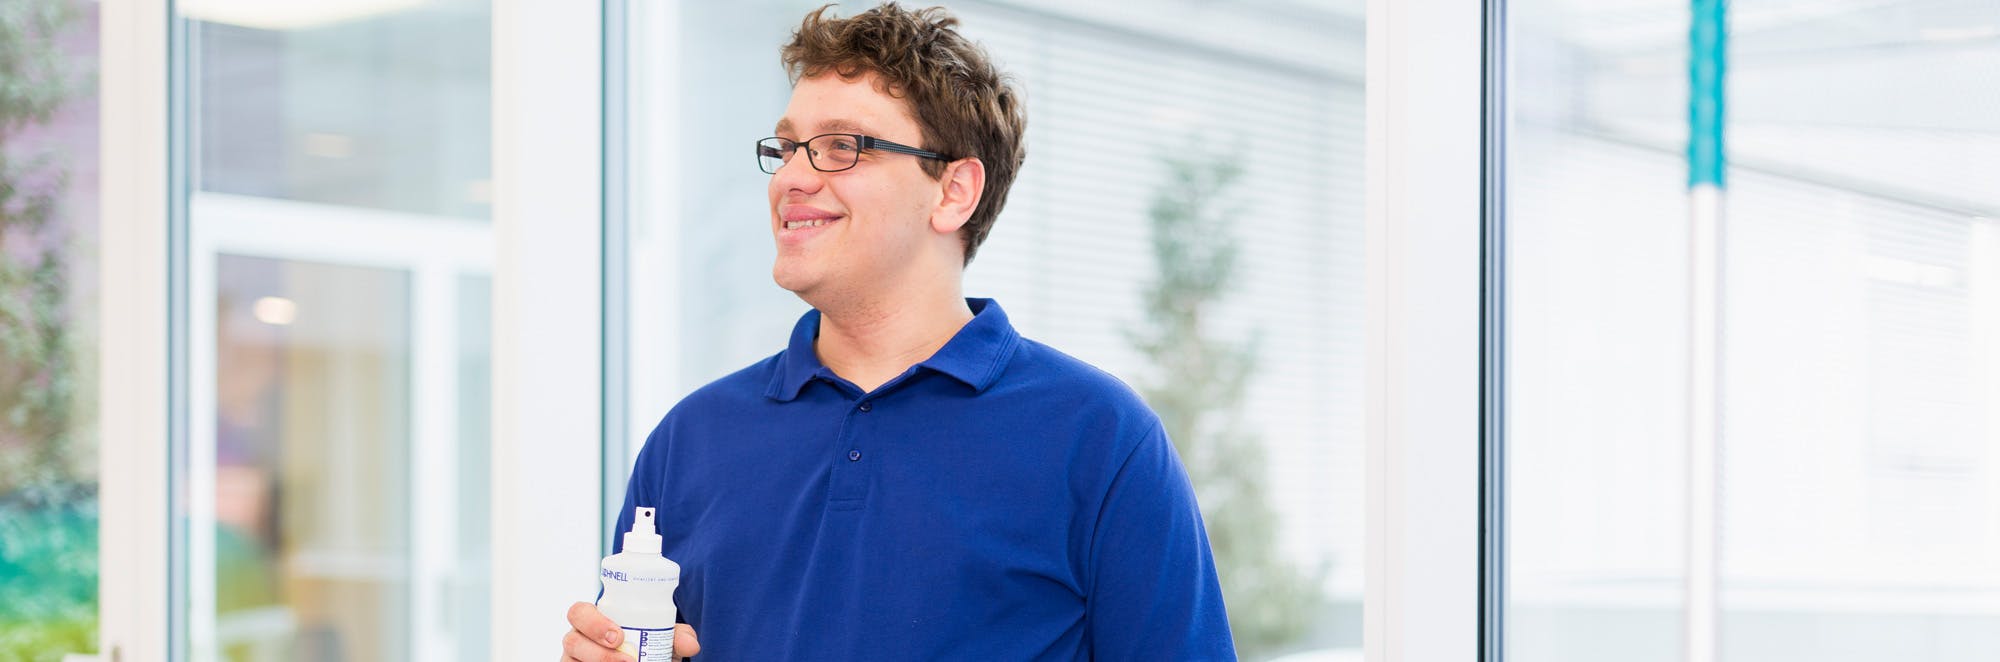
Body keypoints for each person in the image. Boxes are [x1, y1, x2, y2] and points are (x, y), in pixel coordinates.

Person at [561, 3, 1234, 660]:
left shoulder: (1100, 437)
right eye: (788, 148)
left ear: (953, 191)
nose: (791, 178)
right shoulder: (691, 439)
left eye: (841, 147)